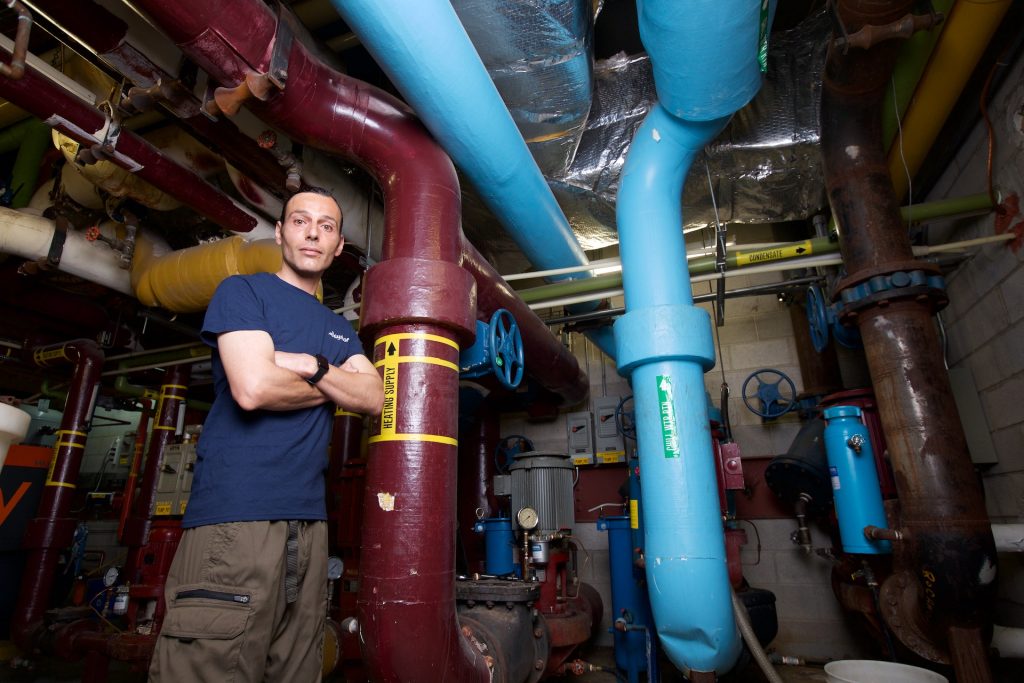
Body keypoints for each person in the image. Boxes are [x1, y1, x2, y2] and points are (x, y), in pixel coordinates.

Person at [149, 188, 384, 682]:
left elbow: (374, 399)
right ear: (280, 233)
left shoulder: (337, 331)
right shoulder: (243, 292)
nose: (313, 232)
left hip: (309, 525)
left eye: (326, 226)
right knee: (210, 668)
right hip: (237, 517)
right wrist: (336, 383)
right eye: (300, 221)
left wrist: (309, 365)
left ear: (339, 245)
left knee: (297, 670)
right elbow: (253, 388)